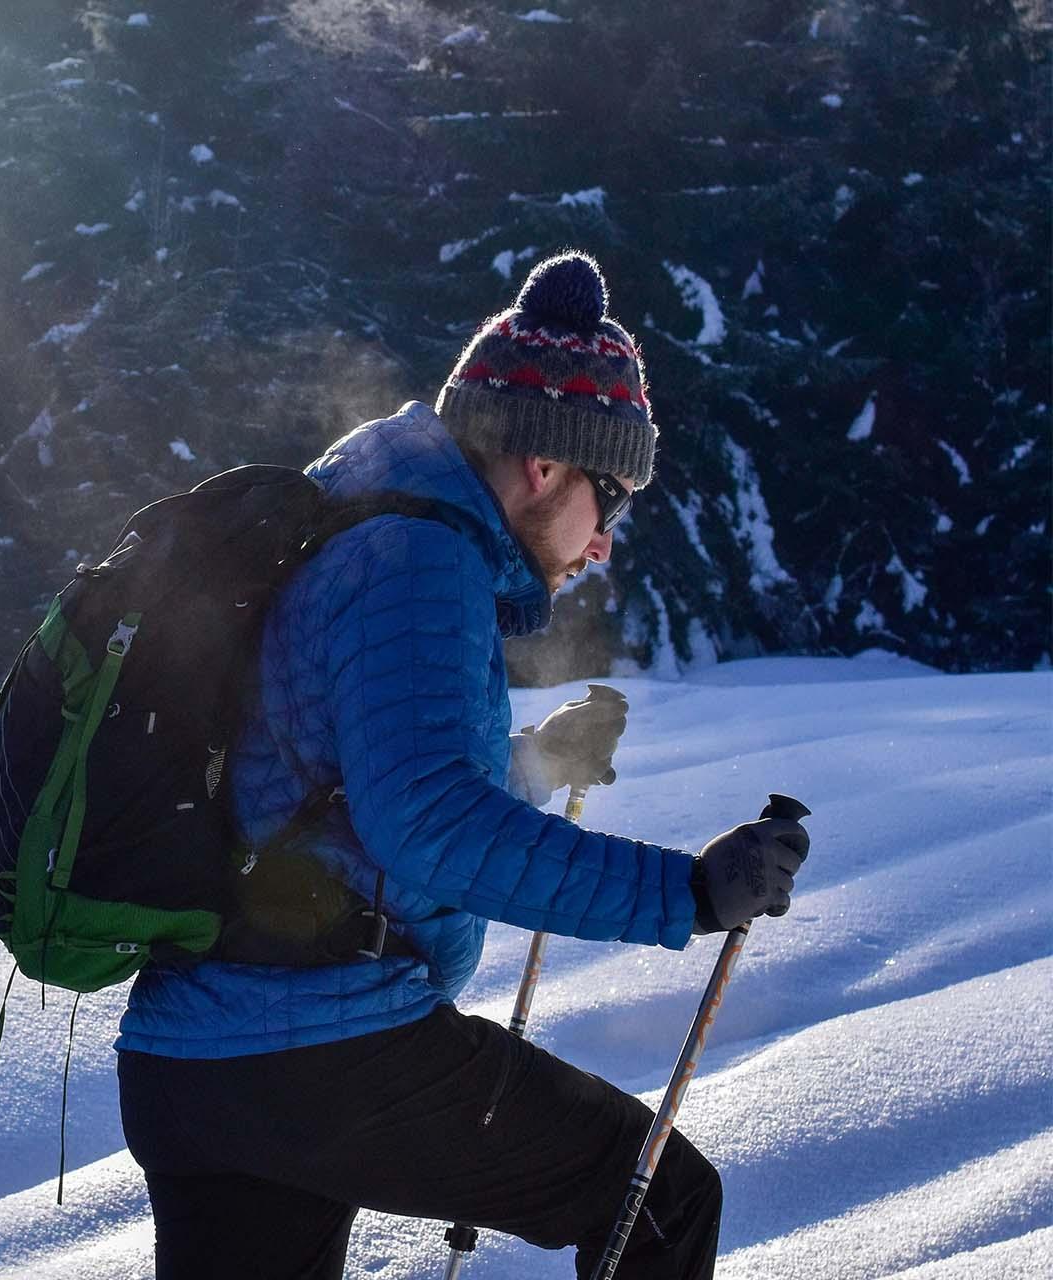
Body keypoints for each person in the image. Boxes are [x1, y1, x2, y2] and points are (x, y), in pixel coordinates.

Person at [114, 251, 811, 1279]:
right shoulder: (419, 560)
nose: (605, 541)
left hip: (198, 1055)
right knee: (658, 1196)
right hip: (321, 1047)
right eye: (609, 499)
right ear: (545, 466)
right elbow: (429, 825)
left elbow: (348, 782)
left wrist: (532, 760)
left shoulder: (358, 510)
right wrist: (687, 892)